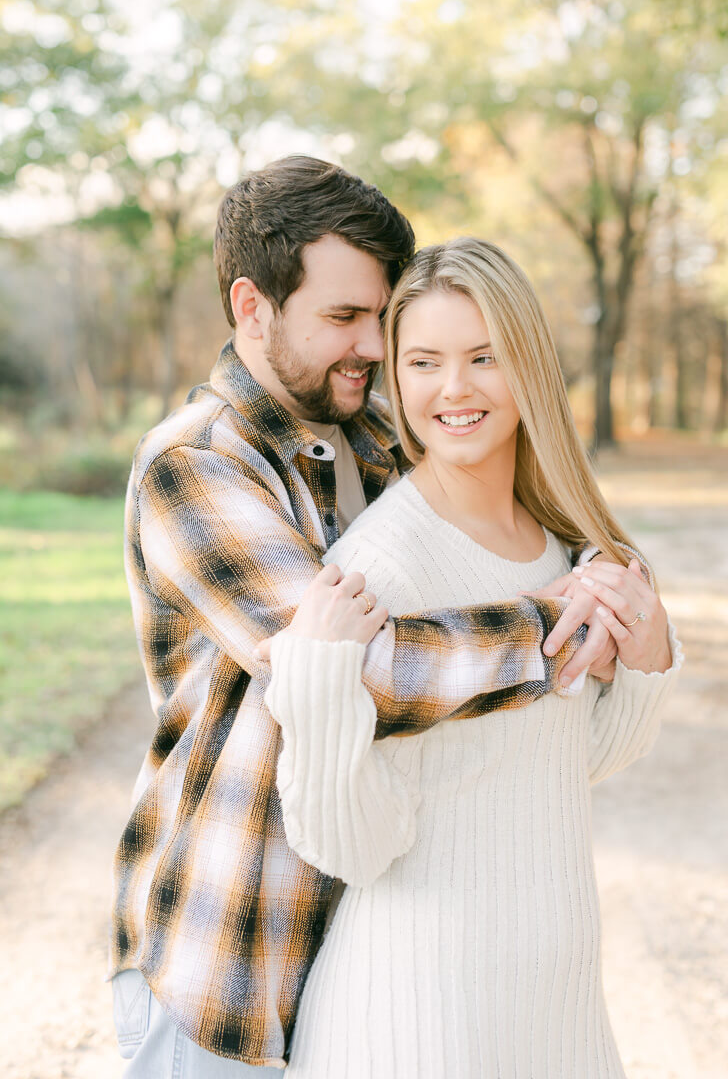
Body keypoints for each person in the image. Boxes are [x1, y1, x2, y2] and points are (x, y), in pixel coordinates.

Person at [109, 157, 637, 1077]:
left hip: (360, 932)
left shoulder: (376, 435)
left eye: (377, 319)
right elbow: (347, 671)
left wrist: (605, 575)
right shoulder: (195, 467)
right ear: (252, 307)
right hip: (230, 960)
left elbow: (500, 522)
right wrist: (553, 627)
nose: (368, 345)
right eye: (342, 317)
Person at [263, 237, 683, 1079]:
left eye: (483, 357)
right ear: (395, 379)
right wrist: (315, 690)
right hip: (421, 1013)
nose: (453, 389)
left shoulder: (558, 546)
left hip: (550, 1002)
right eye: (423, 361)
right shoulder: (388, 566)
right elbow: (353, 847)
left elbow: (566, 762)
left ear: (527, 363)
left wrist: (647, 660)